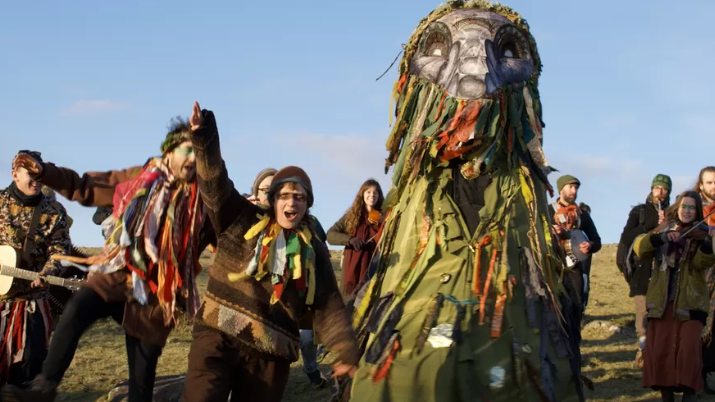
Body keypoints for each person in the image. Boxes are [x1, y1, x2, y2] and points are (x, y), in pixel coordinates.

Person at [1, 118, 216, 402]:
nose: (191, 158)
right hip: (116, 276)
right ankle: (43, 388)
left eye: (197, 152)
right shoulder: (138, 178)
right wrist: (45, 172)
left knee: (141, 381)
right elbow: (85, 185)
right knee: (77, 309)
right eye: (184, 150)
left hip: (156, 295)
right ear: (169, 151)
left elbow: (230, 229)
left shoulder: (207, 198)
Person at [181, 102, 359, 402]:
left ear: (307, 205)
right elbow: (213, 182)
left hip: (270, 354)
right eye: (286, 196)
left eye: (300, 197)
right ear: (273, 199)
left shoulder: (313, 249)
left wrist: (348, 353)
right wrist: (204, 136)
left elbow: (328, 305)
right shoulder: (240, 218)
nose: (293, 203)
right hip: (218, 335)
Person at [246, 167, 329, 389]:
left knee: (306, 338)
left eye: (272, 190)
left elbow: (322, 242)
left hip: (301, 293)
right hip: (260, 303)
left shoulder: (306, 222)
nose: (266, 195)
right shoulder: (247, 220)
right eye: (263, 190)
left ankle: (312, 372)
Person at [0, 150, 72, 387]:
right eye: (29, 174)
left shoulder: (54, 212)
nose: (36, 180)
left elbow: (59, 251)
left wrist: (47, 273)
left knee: (30, 367)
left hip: (31, 305)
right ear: (14, 175)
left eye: (39, 174)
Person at [633, 190, 713, 402]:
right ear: (677, 208)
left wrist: (706, 244)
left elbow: (701, 264)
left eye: (692, 207)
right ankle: (666, 398)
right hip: (661, 302)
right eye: (684, 207)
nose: (687, 211)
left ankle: (689, 397)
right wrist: (660, 238)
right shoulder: (664, 228)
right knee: (661, 353)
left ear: (697, 210)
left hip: (691, 302)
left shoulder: (702, 233)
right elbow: (640, 248)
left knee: (689, 355)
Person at [616, 174, 671, 368]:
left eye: (664, 189)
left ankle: (659, 357)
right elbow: (626, 236)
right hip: (642, 271)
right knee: (643, 316)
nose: (660, 192)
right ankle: (642, 355)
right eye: (657, 188)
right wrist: (652, 225)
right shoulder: (640, 211)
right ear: (651, 189)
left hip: (665, 273)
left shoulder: (673, 212)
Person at [549, 175, 602, 314]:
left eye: (576, 188)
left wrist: (590, 245)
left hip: (574, 269)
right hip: (551, 268)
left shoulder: (582, 214)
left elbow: (597, 240)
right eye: (570, 187)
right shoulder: (547, 211)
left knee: (575, 309)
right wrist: (551, 232)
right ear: (561, 190)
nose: (574, 191)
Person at [327, 179, 384, 297]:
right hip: (352, 270)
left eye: (375, 192)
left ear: (379, 196)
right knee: (348, 305)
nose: (372, 195)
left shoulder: (383, 217)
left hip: (374, 267)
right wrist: (350, 240)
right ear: (362, 194)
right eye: (368, 192)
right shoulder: (352, 216)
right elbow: (330, 235)